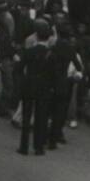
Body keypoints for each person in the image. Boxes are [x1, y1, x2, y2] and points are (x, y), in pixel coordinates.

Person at [16, 19, 55, 156]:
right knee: (41, 117)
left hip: (29, 84)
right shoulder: (51, 54)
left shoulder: (29, 51)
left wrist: (23, 80)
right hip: (44, 86)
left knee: (26, 116)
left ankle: (24, 146)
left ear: (36, 36)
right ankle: (38, 147)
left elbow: (19, 68)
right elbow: (54, 73)